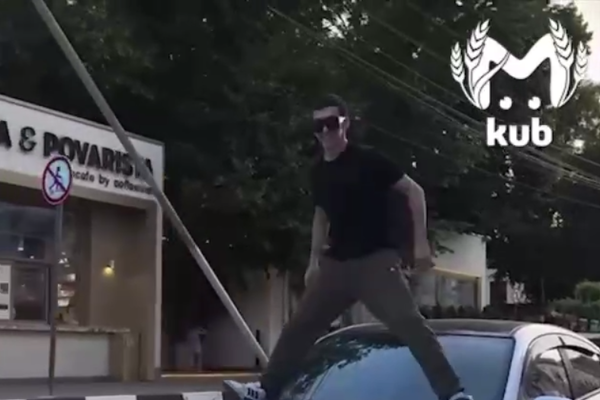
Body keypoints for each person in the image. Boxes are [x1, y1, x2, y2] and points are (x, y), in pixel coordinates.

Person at [223, 94, 473, 400]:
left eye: (331, 123)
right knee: (300, 326)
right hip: (336, 266)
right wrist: (313, 262)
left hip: (375, 261)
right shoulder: (319, 171)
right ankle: (266, 391)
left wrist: (420, 244)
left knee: (409, 323)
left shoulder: (369, 160)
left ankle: (453, 393)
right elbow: (321, 216)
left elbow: (414, 191)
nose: (325, 132)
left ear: (345, 124)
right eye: (318, 126)